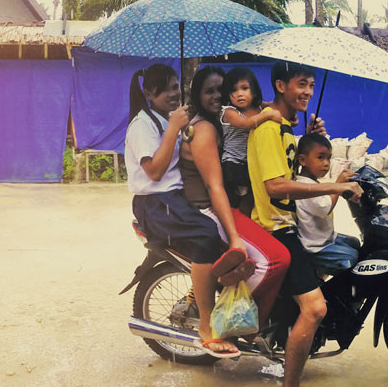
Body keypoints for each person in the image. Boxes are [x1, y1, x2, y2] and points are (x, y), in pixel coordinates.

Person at [248, 60, 363, 387]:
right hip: (275, 229)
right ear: (280, 85)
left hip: (288, 225)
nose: (308, 92)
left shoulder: (284, 128)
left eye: (311, 85)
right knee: (314, 308)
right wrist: (333, 186)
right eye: (301, 84)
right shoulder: (268, 126)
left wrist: (307, 136)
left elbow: (293, 164)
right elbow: (276, 186)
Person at [124, 63, 243, 359]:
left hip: (173, 199)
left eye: (176, 87)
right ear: (149, 93)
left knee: (218, 233)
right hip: (155, 202)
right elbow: (153, 171)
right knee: (205, 235)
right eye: (164, 90)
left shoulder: (166, 118)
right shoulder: (142, 125)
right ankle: (205, 325)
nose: (172, 94)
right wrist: (175, 128)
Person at [179, 65, 290, 329]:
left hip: (227, 200)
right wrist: (235, 237)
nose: (218, 96)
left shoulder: (218, 120)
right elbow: (215, 187)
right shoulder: (205, 128)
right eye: (210, 91)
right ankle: (235, 319)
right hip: (212, 207)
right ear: (197, 95)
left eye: (221, 89)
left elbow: (258, 106)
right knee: (275, 260)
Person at [295, 133, 361, 274]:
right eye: (320, 157)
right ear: (302, 160)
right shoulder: (303, 186)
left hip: (326, 237)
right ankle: (340, 293)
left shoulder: (313, 182)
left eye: (328, 158)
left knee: (355, 243)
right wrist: (338, 185)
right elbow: (325, 207)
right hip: (315, 247)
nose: (326, 163)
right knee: (351, 257)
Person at [219, 67, 282, 215]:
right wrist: (267, 116)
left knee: (253, 197)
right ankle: (242, 227)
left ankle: (247, 224)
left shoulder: (259, 108)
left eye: (245, 88)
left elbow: (276, 107)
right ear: (228, 95)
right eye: (233, 90)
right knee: (243, 200)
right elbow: (245, 124)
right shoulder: (229, 112)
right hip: (234, 164)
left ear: (254, 92)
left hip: (251, 164)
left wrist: (291, 118)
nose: (239, 94)